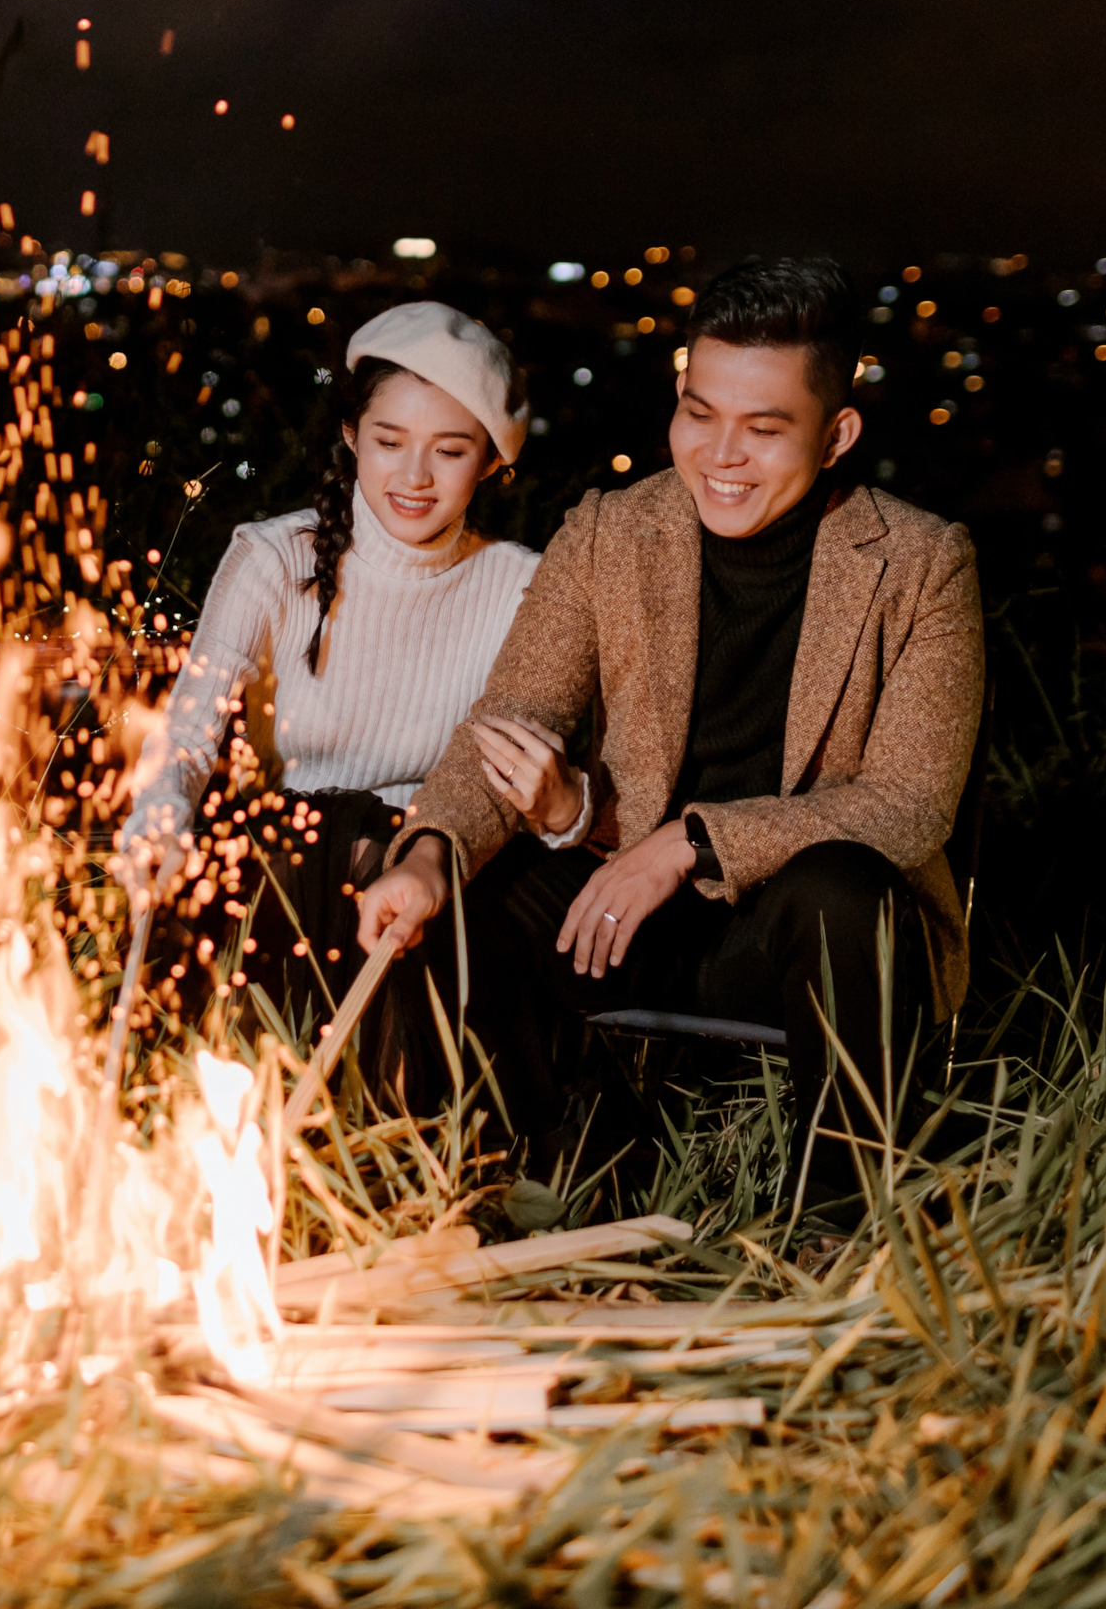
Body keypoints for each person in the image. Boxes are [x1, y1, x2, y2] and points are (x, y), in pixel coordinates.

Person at [354, 256, 982, 1227]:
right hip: (621, 919)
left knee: (844, 887)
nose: (720, 455)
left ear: (837, 434)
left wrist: (688, 841)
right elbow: (513, 717)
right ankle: (493, 1197)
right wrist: (433, 854)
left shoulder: (922, 561)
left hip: (793, 937)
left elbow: (909, 802)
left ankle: (835, 1227)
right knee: (465, 899)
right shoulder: (614, 528)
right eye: (700, 413)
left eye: (764, 429)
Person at [119, 301, 573, 1085]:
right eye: (390, 443)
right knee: (338, 825)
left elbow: (527, 772)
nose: (414, 477)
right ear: (352, 437)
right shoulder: (272, 558)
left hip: (447, 864)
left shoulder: (523, 584)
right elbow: (189, 733)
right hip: (289, 863)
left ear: (492, 464)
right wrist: (159, 820)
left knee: (404, 850)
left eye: (451, 451)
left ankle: (413, 1138)